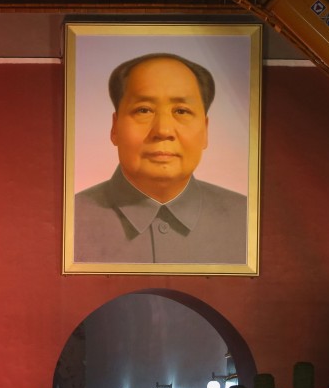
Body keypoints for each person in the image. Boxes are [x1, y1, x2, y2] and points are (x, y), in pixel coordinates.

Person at [74, 53, 248, 264]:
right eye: (144, 110)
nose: (163, 130)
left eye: (182, 111)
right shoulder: (73, 218)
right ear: (114, 127)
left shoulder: (247, 219)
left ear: (205, 130)